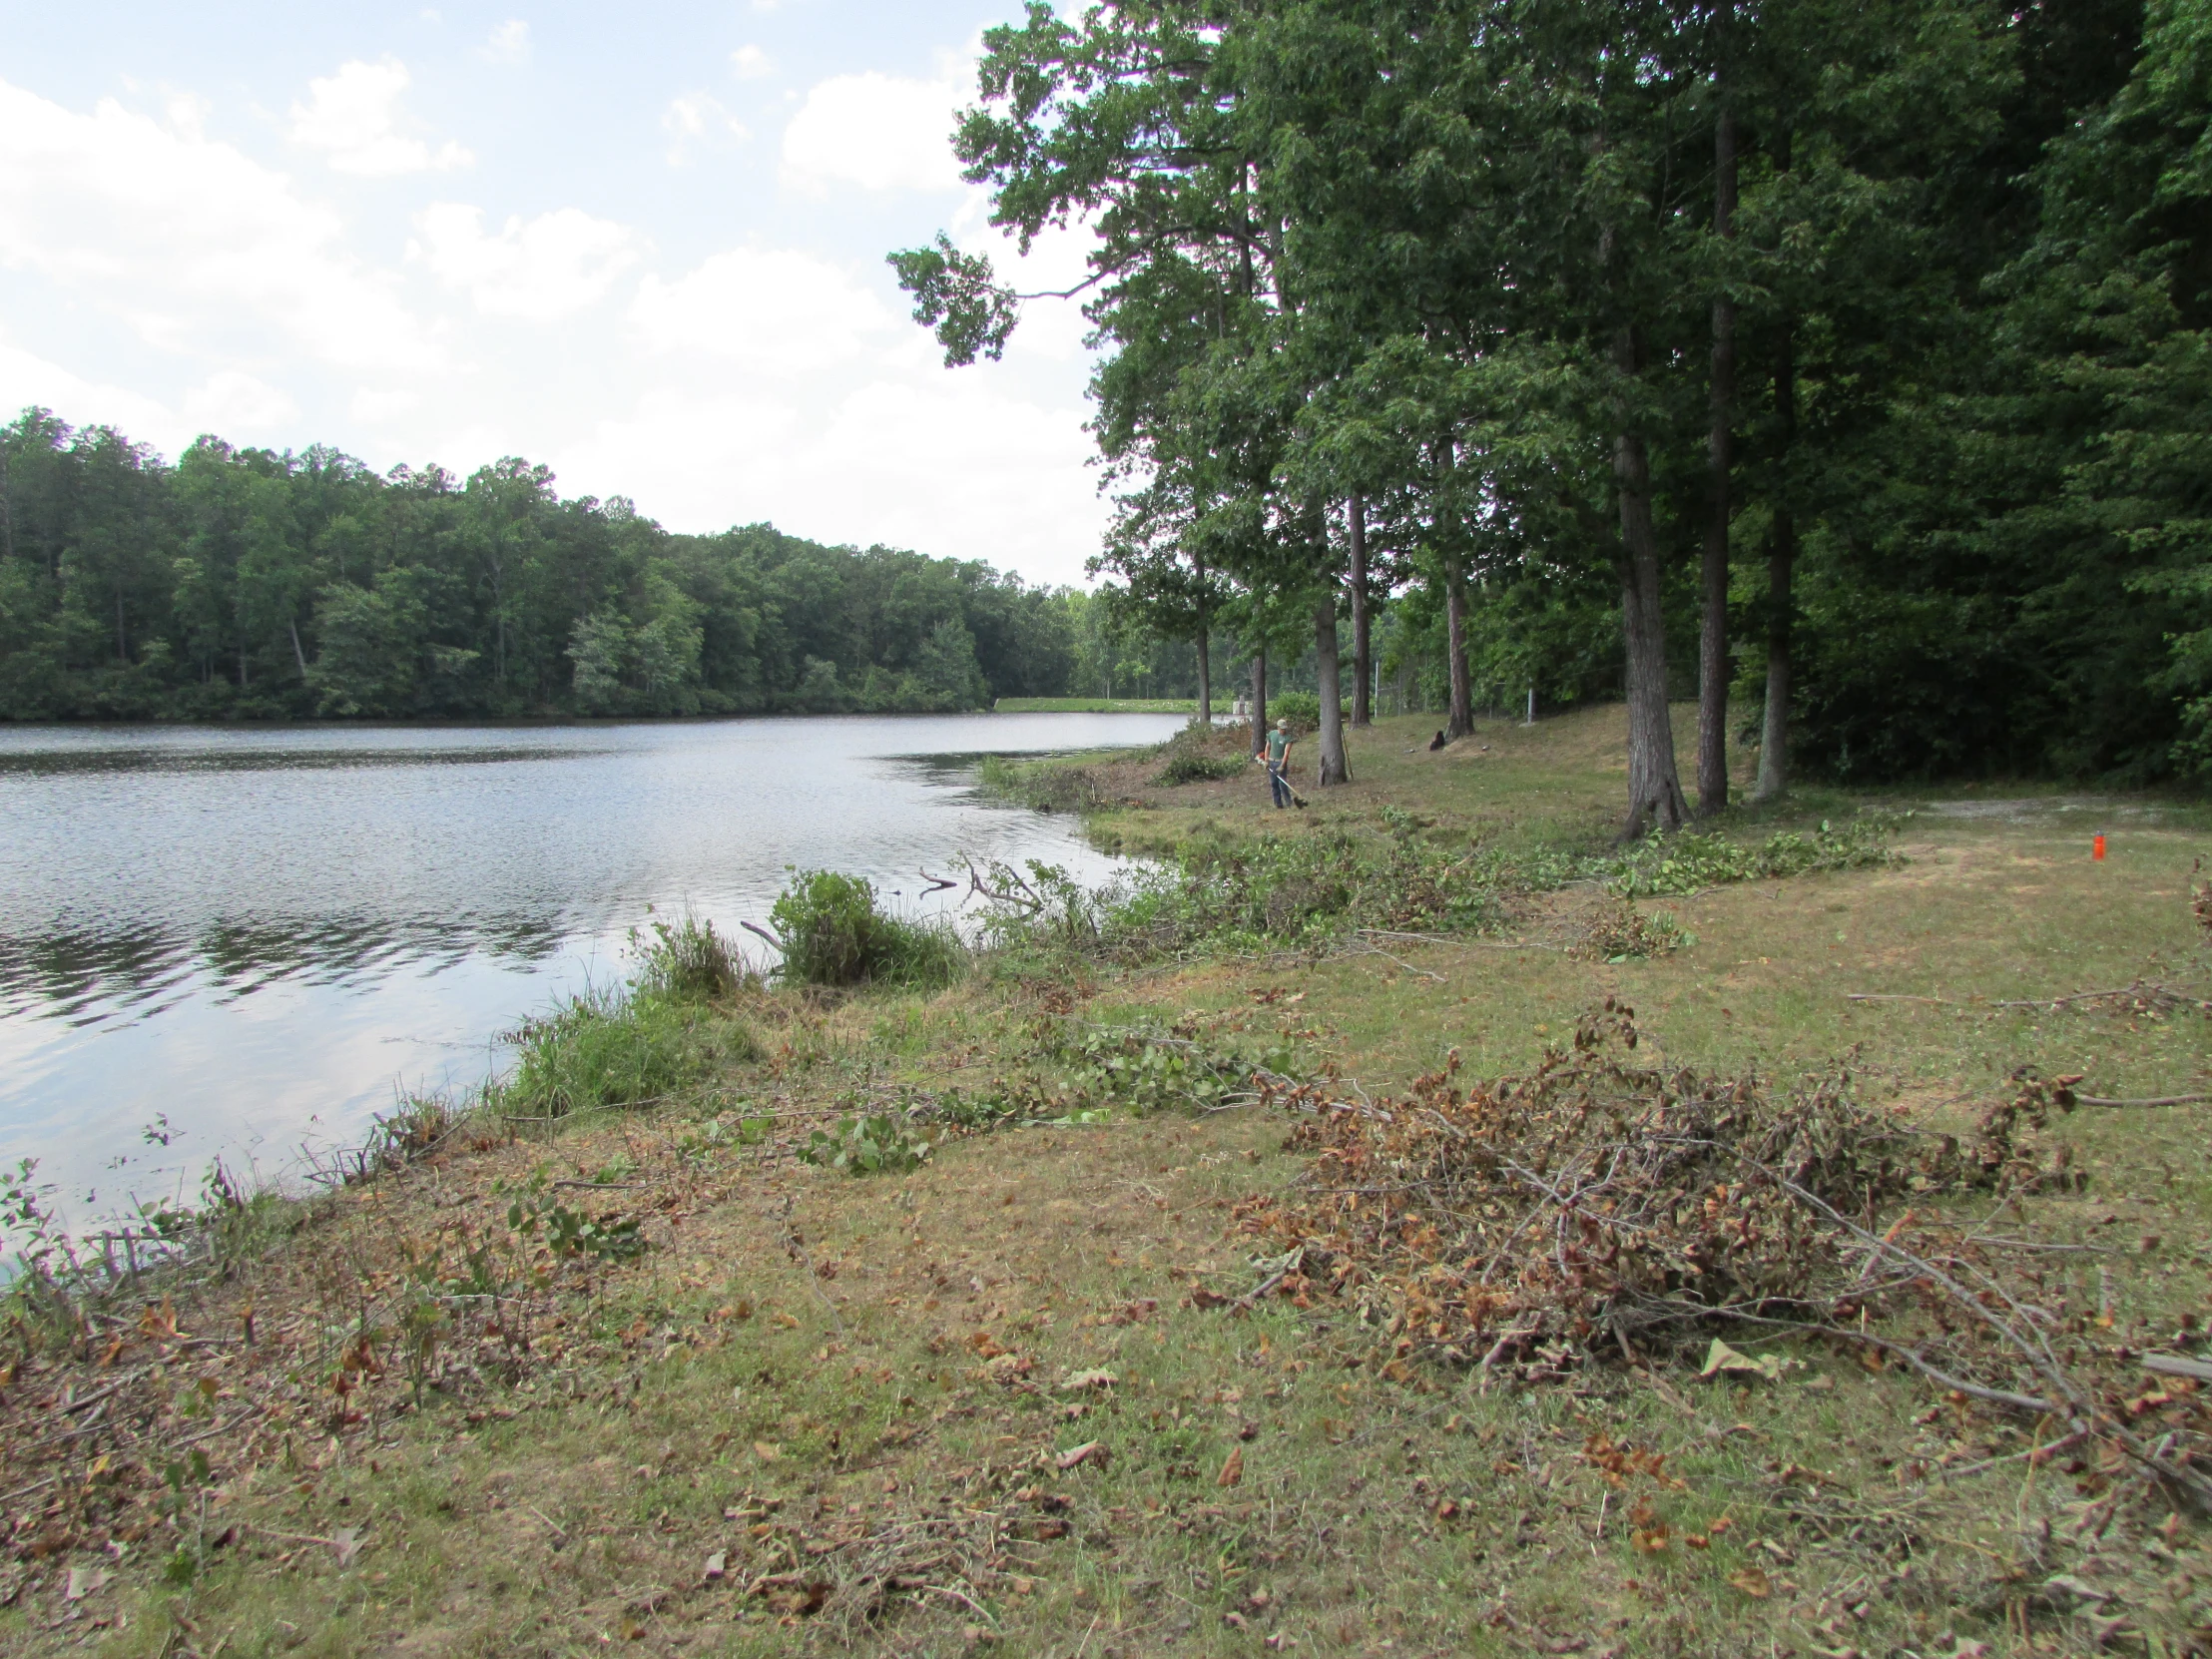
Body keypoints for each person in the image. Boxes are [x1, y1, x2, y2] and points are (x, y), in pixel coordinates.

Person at [1260, 717, 1295, 808]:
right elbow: (1267, 747)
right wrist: (1266, 761)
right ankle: (1278, 803)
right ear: (1278, 727)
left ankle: (1288, 802)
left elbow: (1286, 753)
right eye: (1282, 729)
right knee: (1273, 783)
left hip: (1280, 762)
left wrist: (1282, 765)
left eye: (1285, 729)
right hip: (1271, 762)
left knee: (1282, 783)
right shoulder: (1272, 734)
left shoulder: (1288, 738)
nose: (1283, 730)